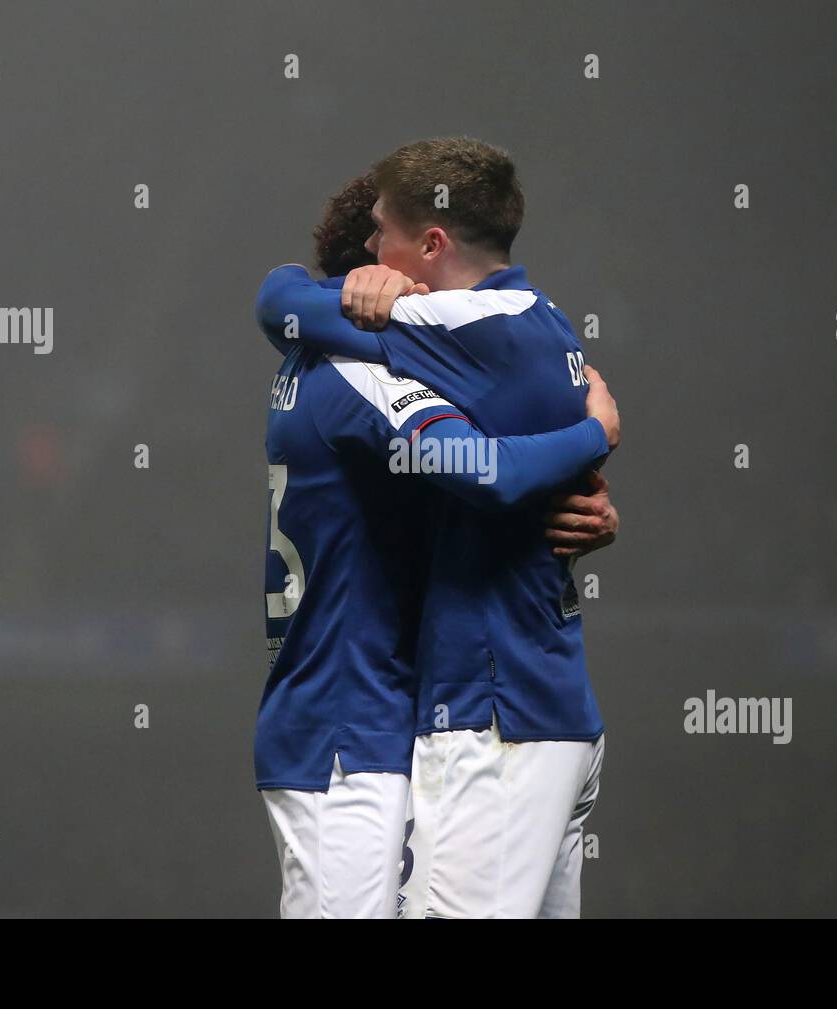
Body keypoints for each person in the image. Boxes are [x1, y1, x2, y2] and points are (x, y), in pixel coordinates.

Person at [257, 137, 616, 917]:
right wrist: (597, 431)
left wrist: (586, 496)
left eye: (379, 237)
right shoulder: (544, 328)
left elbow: (278, 298)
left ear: (425, 250)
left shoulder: (435, 338)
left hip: (483, 714)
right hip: (378, 724)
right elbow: (491, 472)